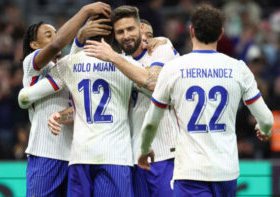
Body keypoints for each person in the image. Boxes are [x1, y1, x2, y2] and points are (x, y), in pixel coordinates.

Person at [137, 5, 274, 197]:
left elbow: (152, 121)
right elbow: (267, 120)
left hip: (190, 172)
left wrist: (145, 149)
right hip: (226, 171)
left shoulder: (173, 68)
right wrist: (264, 129)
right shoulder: (239, 68)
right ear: (221, 34)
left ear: (191, 31)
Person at [20, 14, 141, 197]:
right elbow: (58, 46)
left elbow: (79, 109)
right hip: (46, 153)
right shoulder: (33, 65)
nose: (56, 37)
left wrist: (60, 116)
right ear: (34, 45)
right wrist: (82, 26)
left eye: (56, 33)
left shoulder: (70, 66)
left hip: (74, 155)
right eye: (48, 35)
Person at [84, 5, 179, 197]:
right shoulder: (117, 62)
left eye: (130, 29)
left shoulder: (161, 49)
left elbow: (152, 83)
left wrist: (112, 57)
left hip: (165, 153)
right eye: (120, 31)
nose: (126, 35)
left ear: (140, 29)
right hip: (132, 158)